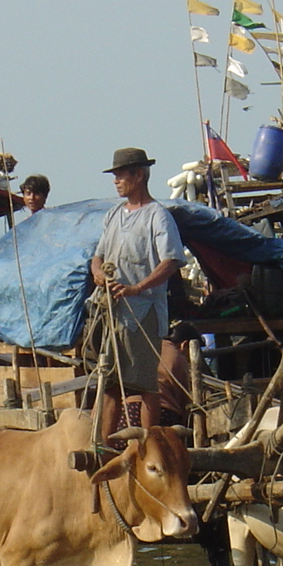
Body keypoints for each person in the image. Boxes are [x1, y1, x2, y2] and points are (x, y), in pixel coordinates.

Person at [90, 147, 184, 437]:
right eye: (115, 176)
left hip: (142, 313)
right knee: (111, 384)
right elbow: (99, 255)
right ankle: (103, 446)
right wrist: (97, 272)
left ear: (139, 176)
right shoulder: (114, 215)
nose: (116, 181)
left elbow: (171, 261)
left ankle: (148, 444)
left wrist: (137, 288)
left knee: (144, 384)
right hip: (113, 312)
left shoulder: (157, 216)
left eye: (121, 175)